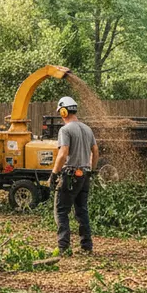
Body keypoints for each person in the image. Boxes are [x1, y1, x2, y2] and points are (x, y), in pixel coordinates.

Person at [48, 96, 98, 255]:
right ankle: (86, 246)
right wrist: (91, 170)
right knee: (81, 211)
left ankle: (63, 247)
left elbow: (63, 154)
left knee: (61, 210)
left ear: (63, 111)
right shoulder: (87, 128)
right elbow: (95, 151)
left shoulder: (66, 130)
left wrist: (54, 174)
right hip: (84, 175)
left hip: (70, 175)